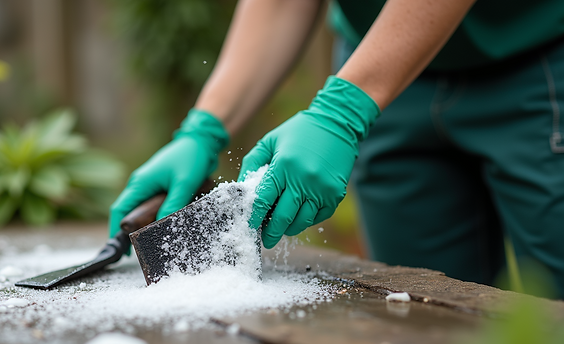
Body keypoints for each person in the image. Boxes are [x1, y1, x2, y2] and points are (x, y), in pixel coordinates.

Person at [109, 0, 564, 298]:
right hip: (379, 73)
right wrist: (203, 128)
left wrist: (341, 110)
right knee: (421, 319)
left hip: (535, 61)